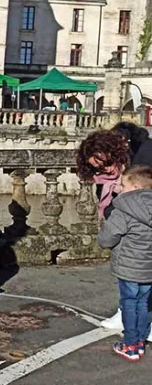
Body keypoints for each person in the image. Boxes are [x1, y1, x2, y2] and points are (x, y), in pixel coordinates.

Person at [77, 123, 152, 338]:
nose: (105, 171)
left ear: (115, 152)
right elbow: (109, 205)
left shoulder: (145, 154)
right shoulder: (108, 176)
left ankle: (145, 320)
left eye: (107, 163)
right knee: (131, 280)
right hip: (128, 234)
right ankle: (125, 314)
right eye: (96, 169)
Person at [98, 166, 152, 361]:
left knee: (129, 303)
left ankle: (129, 343)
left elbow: (108, 238)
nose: (118, 188)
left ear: (135, 187)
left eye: (122, 184)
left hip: (129, 267)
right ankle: (140, 341)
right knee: (144, 304)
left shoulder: (124, 209)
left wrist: (103, 239)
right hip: (149, 268)